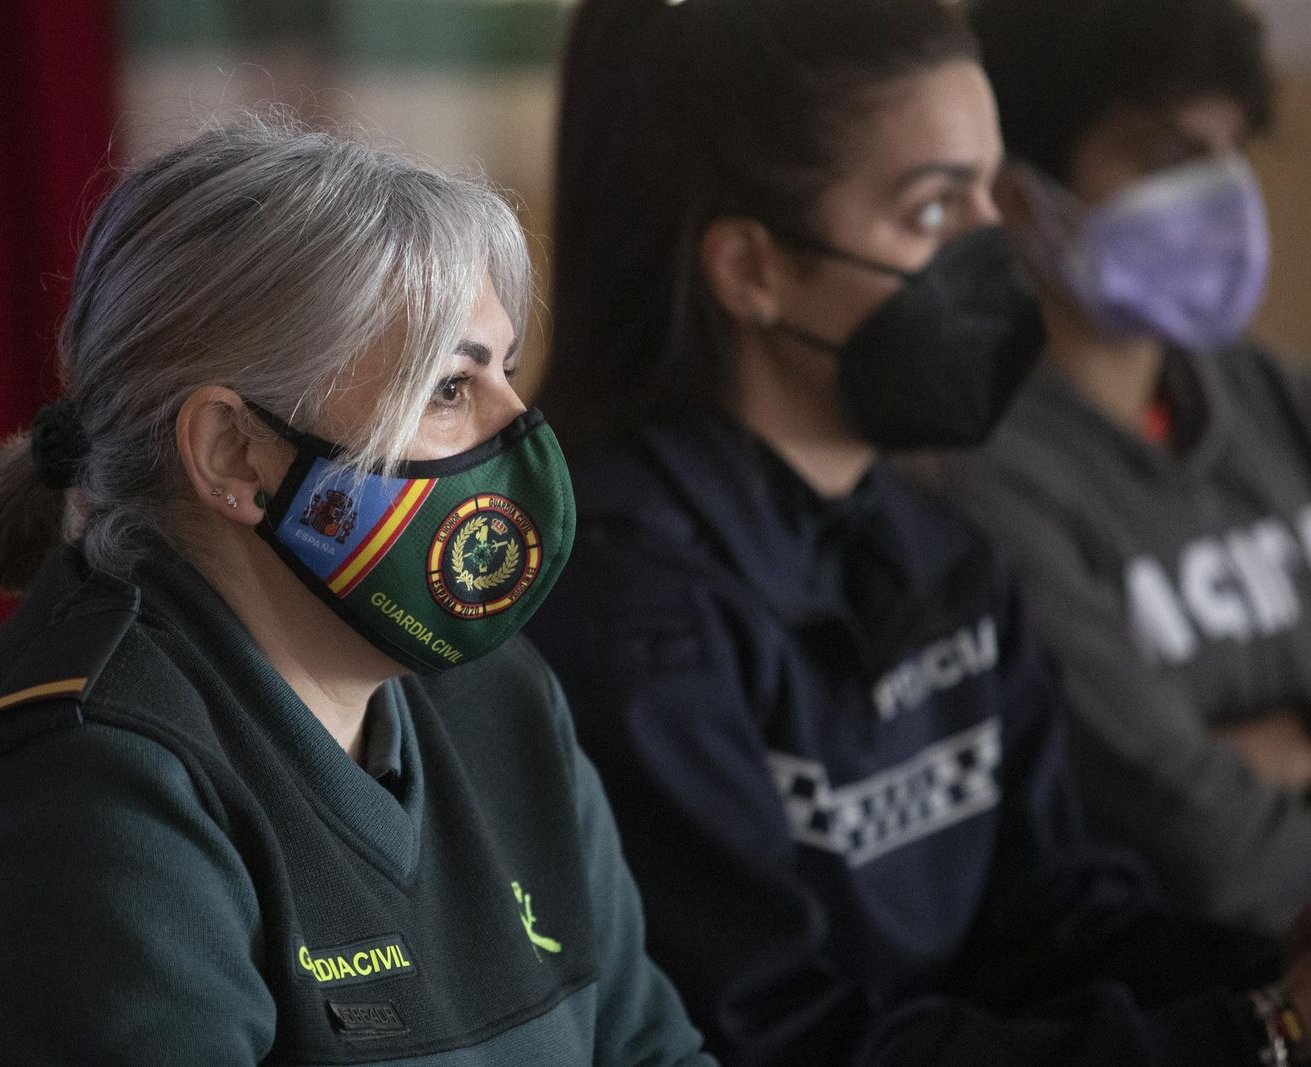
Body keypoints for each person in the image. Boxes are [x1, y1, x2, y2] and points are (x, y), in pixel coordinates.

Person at [0, 117, 712, 1065]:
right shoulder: (92, 795)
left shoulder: (499, 701)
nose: (521, 425)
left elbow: (650, 1050)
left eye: (502, 370)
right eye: (448, 390)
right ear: (236, 453)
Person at [526, 0, 1311, 1064]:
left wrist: (1266, 967)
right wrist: (1258, 1032)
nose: (999, 246)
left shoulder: (932, 539)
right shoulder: (628, 609)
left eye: (993, 192)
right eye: (936, 210)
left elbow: (1052, 919)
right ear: (752, 269)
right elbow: (777, 1038)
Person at [931, 0, 1311, 938]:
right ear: (1021, 195)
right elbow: (1204, 847)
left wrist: (1274, 748)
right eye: (1161, 157)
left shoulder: (1266, 392)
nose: (1220, 194)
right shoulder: (971, 469)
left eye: (1227, 150)